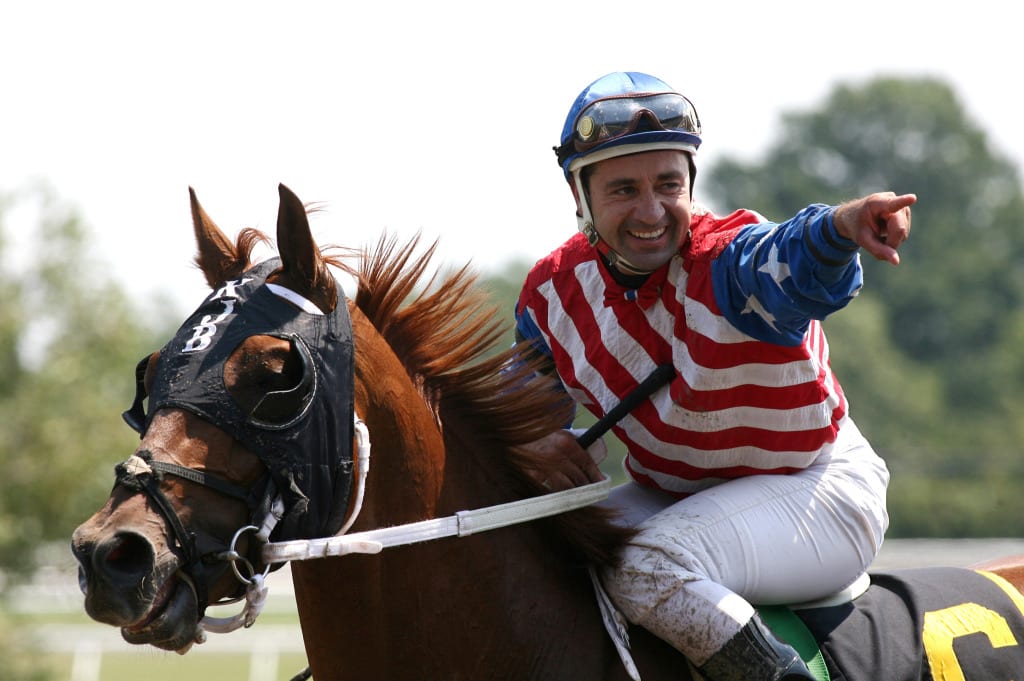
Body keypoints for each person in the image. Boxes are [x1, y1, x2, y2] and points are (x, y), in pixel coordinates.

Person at [513, 71, 914, 681]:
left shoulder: (730, 264)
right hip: (675, 492)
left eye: (668, 184)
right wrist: (532, 442)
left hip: (817, 490)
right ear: (580, 197)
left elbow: (795, 258)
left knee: (644, 567)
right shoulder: (550, 295)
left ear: (691, 185)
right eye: (623, 189)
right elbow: (522, 407)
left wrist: (841, 227)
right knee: (535, 551)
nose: (651, 211)